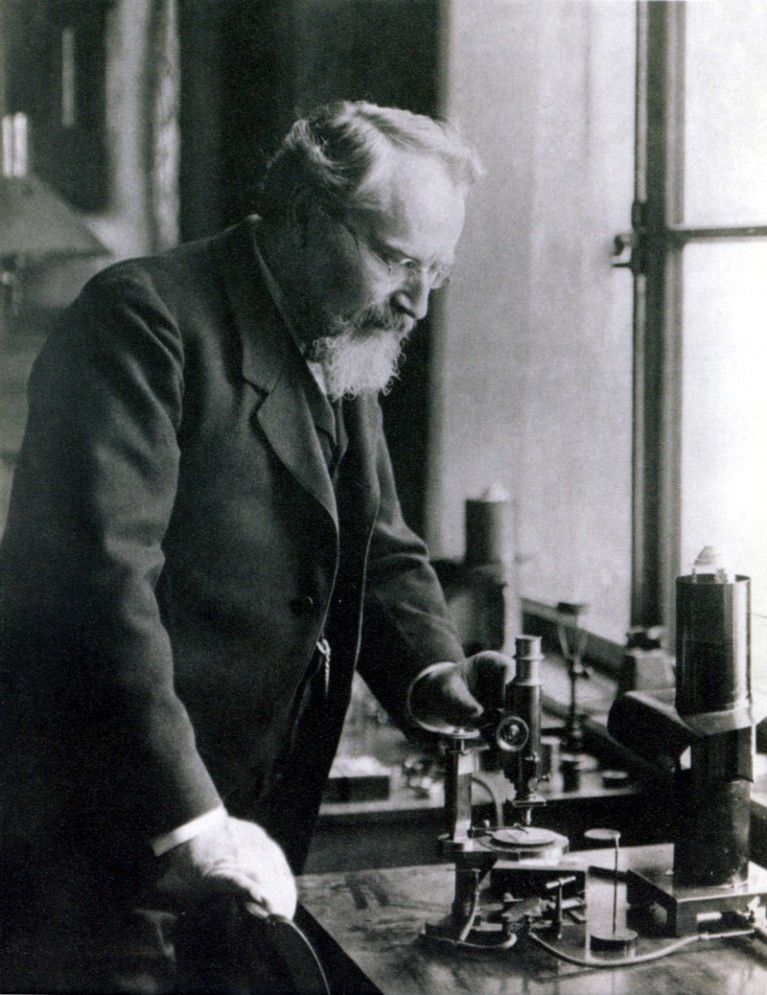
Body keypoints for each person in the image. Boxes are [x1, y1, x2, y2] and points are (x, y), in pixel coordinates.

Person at [0, 100, 502, 992]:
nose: (419, 302)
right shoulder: (143, 319)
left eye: (436, 271)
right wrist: (194, 823)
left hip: (247, 834)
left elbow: (375, 544)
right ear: (309, 219)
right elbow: (99, 594)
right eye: (397, 261)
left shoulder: (340, 336)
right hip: (109, 843)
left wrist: (435, 673)